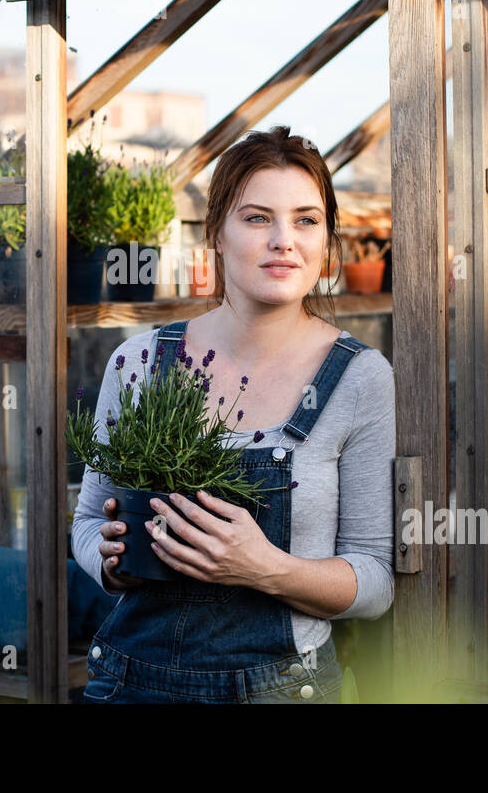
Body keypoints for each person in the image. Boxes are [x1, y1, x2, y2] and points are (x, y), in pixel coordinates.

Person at [70, 125, 396, 704]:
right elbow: (89, 522)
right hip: (129, 684)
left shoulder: (359, 378)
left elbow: (373, 580)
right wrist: (113, 562)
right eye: (256, 218)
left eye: (305, 219)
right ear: (215, 233)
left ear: (325, 240)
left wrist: (262, 567)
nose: (283, 240)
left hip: (278, 689)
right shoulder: (140, 363)